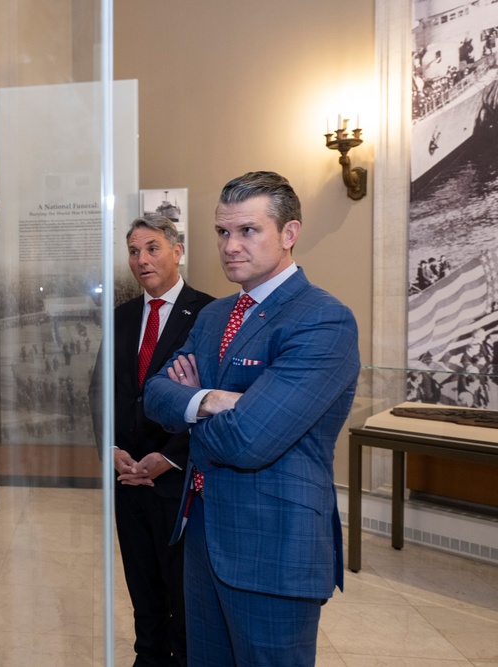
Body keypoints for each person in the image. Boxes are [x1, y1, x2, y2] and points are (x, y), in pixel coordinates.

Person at [144, 171, 360, 666]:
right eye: (223, 232)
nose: (230, 246)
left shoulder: (322, 319)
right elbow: (154, 394)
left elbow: (249, 441)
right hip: (202, 537)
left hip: (273, 547)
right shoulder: (216, 314)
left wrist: (188, 403)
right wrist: (210, 400)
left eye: (248, 231)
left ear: (289, 234)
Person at [88, 215, 213, 666]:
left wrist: (169, 456)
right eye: (134, 251)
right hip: (128, 478)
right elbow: (100, 390)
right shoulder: (121, 316)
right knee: (141, 585)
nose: (141, 259)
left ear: (178, 251)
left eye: (152, 248)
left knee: (183, 587)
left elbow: (209, 398)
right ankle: (150, 657)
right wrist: (112, 452)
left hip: (179, 481)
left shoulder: (207, 313)